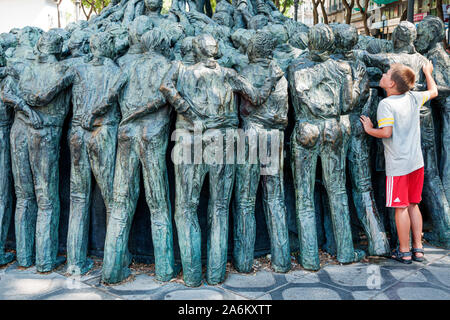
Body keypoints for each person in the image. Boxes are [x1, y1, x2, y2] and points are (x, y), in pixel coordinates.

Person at [360, 61, 438, 263]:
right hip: (416, 163)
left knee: (400, 207)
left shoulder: (386, 104)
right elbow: (434, 91)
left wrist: (369, 129)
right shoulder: (413, 97)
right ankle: (418, 249)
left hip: (399, 166)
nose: (383, 76)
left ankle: (403, 251)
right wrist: (428, 73)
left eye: (386, 74)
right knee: (414, 204)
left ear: (392, 84)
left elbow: (386, 132)